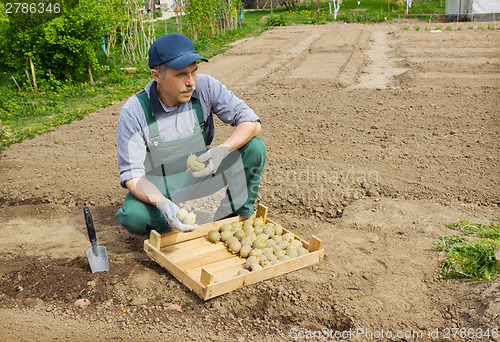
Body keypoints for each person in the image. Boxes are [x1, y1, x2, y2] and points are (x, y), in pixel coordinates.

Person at [115, 33, 266, 236]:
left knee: (254, 147)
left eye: (194, 71)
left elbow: (252, 122)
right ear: (156, 76)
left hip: (201, 172)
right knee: (134, 216)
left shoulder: (205, 87)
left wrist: (223, 150)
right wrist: (161, 202)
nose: (191, 81)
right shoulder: (135, 112)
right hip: (160, 184)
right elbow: (132, 176)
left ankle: (232, 216)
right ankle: (169, 227)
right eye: (181, 74)